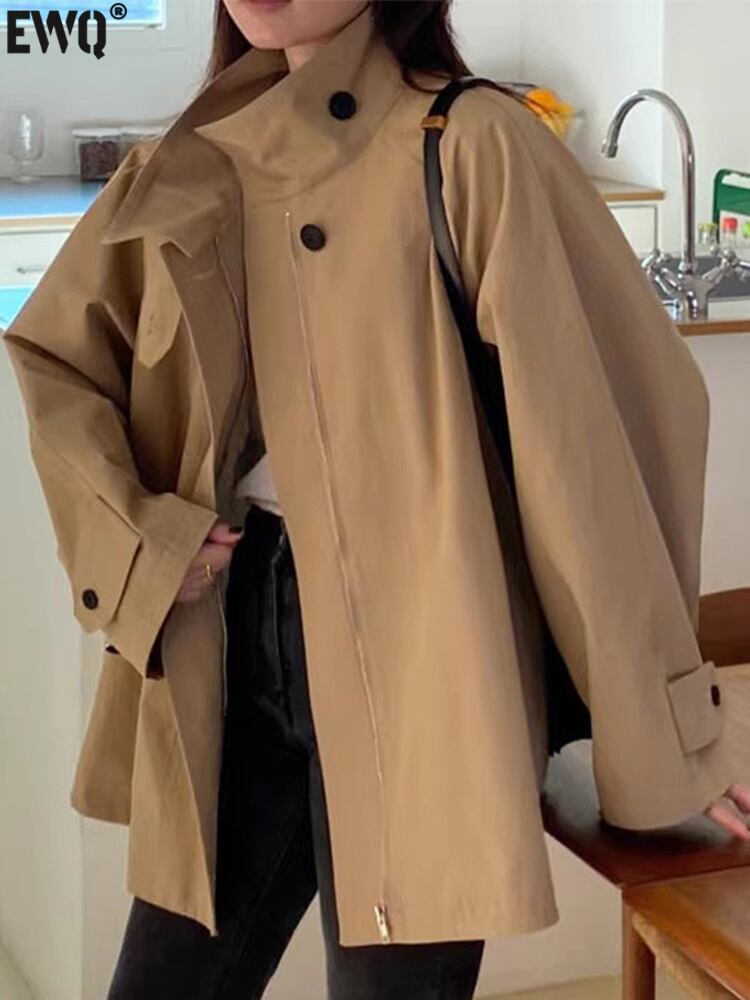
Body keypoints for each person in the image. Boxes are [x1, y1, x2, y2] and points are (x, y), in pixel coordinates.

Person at [4, 1, 749, 998]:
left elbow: (595, 467)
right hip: (231, 631)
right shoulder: (196, 158)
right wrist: (141, 544)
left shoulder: (473, 145)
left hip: (425, 654)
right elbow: (56, 356)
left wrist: (673, 734)